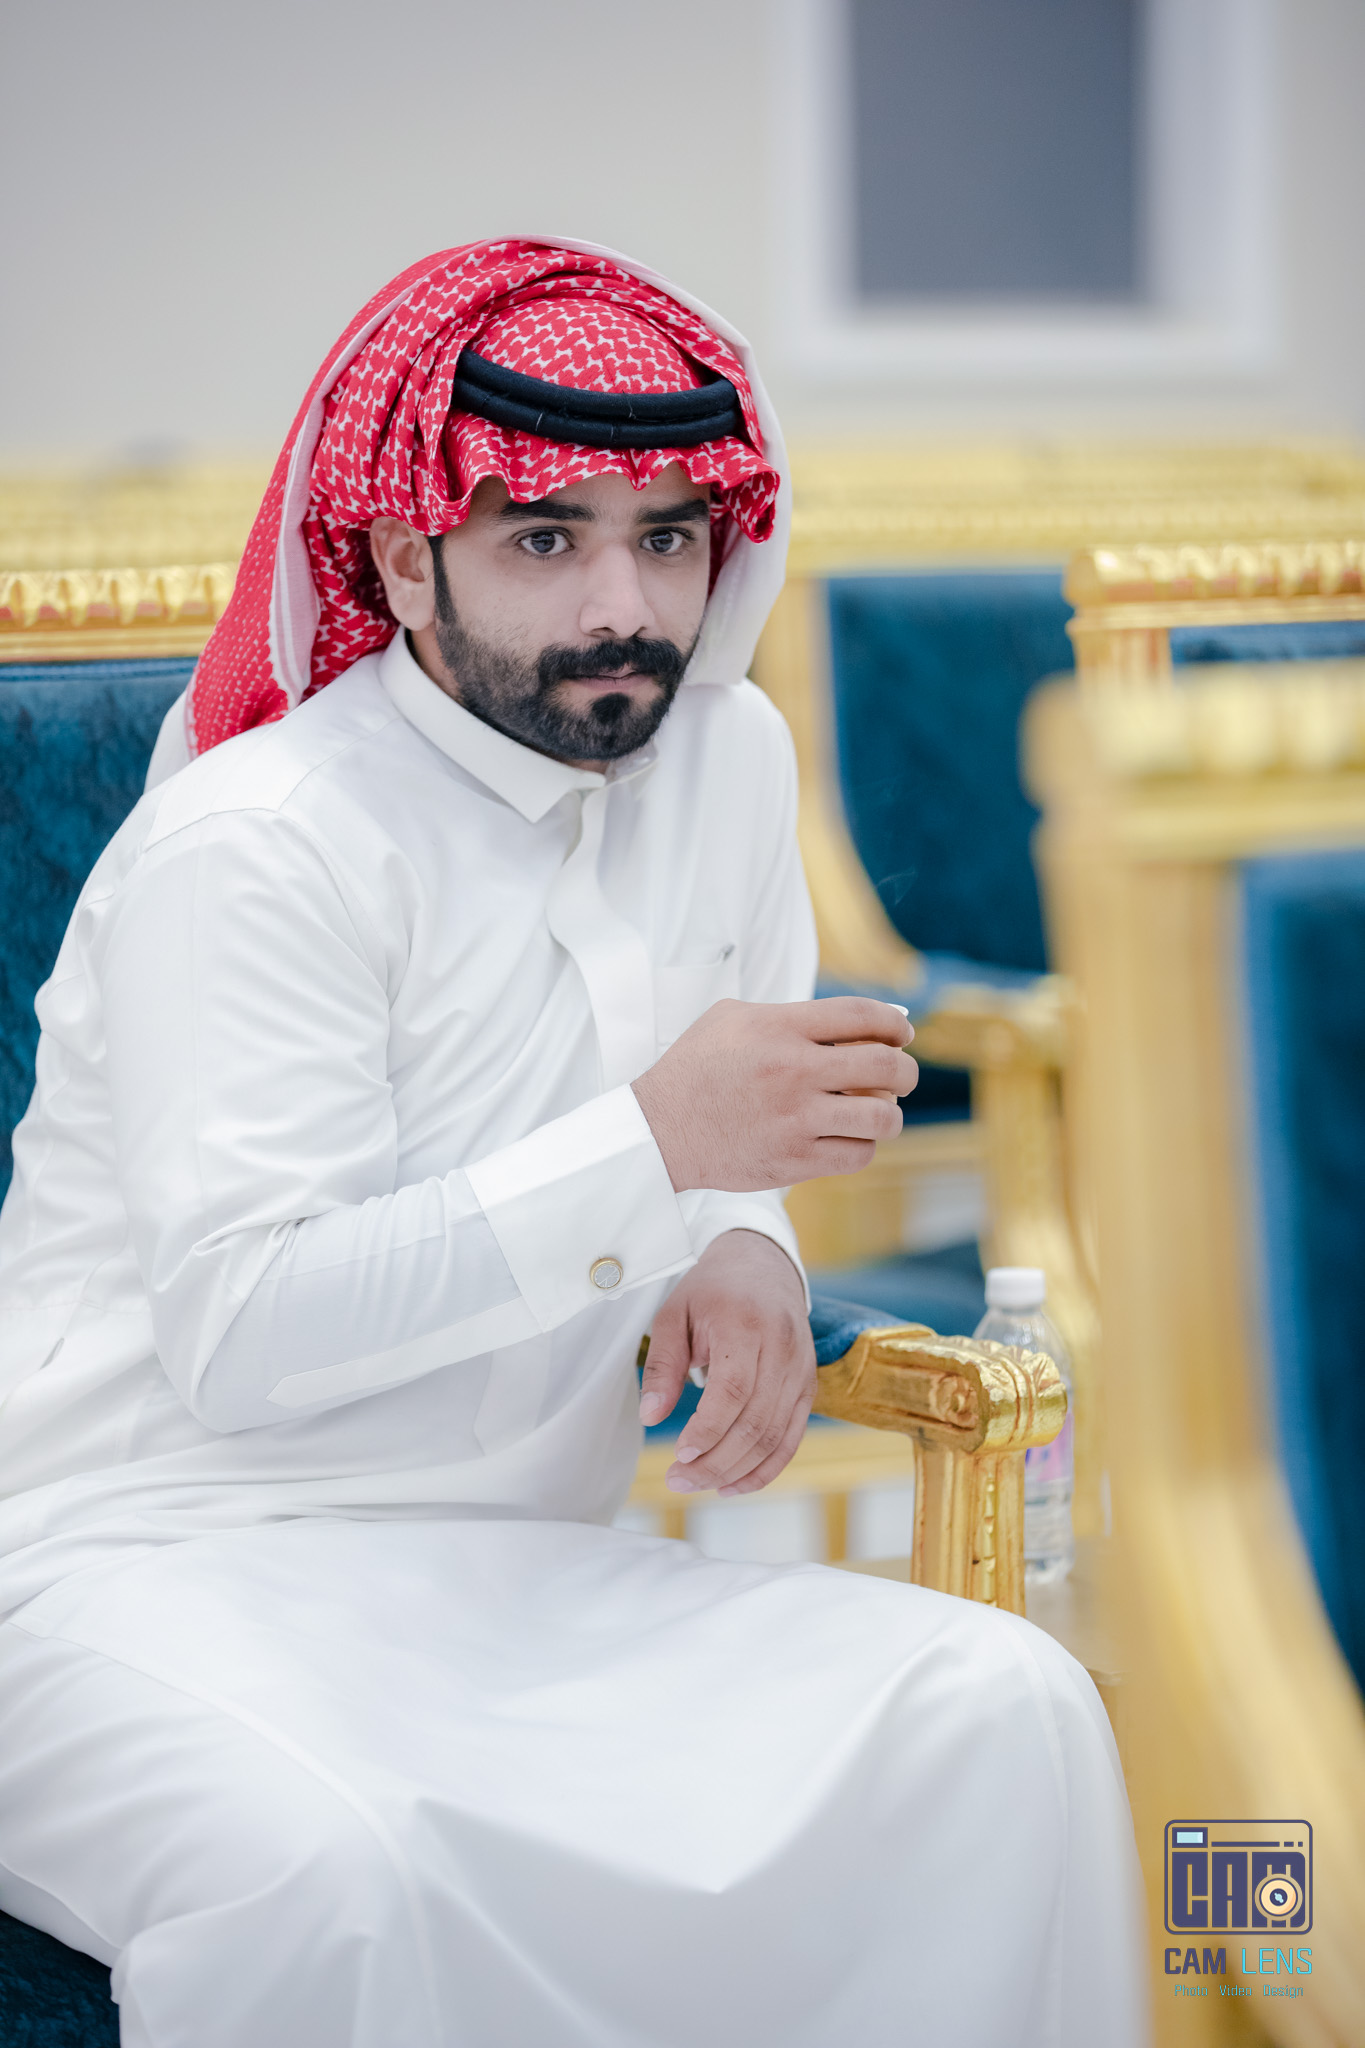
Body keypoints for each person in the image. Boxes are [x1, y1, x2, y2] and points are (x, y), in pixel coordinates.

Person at [0, 237, 1145, 2047]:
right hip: (132, 1571)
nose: (624, 605)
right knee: (333, 1874)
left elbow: (736, 1107)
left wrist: (746, 1242)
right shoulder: (260, 847)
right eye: (546, 540)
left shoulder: (728, 761)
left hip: (523, 1556)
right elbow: (243, 1338)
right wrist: (655, 1148)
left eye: (667, 538)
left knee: (1000, 1710)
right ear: (405, 556)